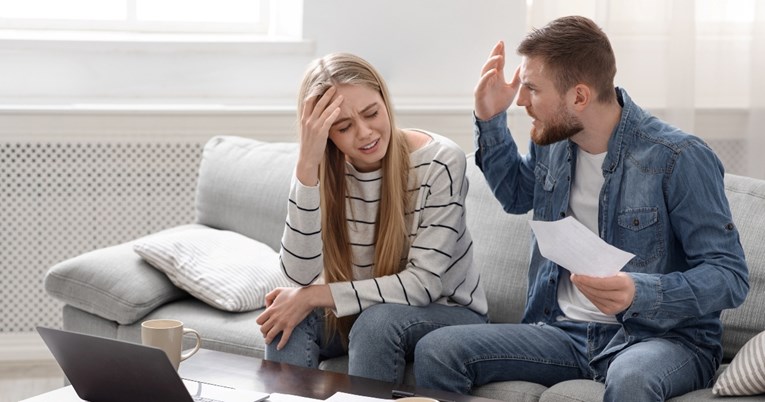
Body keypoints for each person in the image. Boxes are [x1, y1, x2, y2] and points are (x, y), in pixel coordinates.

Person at [414, 15, 749, 401]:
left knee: (633, 378)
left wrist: (639, 292)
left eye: (532, 89)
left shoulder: (679, 157)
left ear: (579, 96)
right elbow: (516, 196)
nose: (521, 100)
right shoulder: (554, 139)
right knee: (438, 349)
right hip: (561, 333)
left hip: (660, 340)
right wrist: (490, 119)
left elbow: (729, 276)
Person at [255, 52, 488, 384]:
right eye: (344, 127)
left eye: (371, 113)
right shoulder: (321, 170)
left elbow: (424, 284)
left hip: (448, 314)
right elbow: (299, 276)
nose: (364, 133)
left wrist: (317, 295)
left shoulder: (440, 160)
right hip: (366, 311)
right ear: (326, 134)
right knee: (284, 317)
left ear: (384, 100)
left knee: (376, 321)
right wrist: (307, 167)